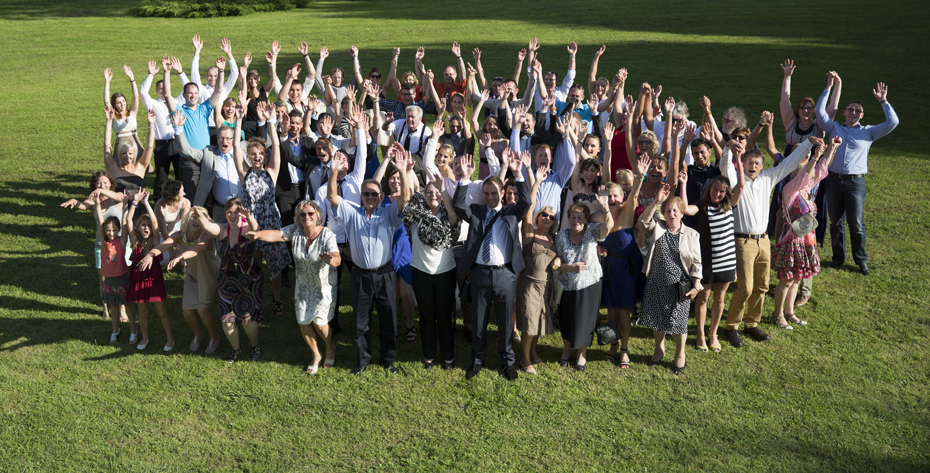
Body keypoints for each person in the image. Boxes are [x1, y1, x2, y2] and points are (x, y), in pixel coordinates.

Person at [721, 135, 819, 348]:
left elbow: (790, 162)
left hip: (764, 241)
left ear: (762, 166)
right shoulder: (736, 179)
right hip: (743, 242)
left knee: (762, 286)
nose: (752, 166)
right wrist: (728, 149)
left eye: (757, 163)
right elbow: (725, 167)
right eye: (749, 162)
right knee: (745, 288)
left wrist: (808, 144)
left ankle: (752, 323)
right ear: (743, 163)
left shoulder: (768, 178)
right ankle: (732, 326)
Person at [328, 142, 410, 375]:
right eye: (366, 194)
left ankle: (388, 359)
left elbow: (405, 197)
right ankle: (363, 360)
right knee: (361, 321)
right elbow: (332, 196)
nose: (370, 197)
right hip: (361, 275)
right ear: (361, 196)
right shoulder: (351, 212)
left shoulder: (389, 213)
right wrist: (333, 171)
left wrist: (402, 170)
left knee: (388, 318)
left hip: (385, 274)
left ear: (380, 196)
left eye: (374, 194)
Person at [453, 154, 531, 381]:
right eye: (486, 193)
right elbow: (458, 206)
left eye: (494, 193)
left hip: (505, 274)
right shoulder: (477, 212)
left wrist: (519, 174)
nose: (489, 197)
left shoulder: (511, 212)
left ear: (502, 193)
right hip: (480, 273)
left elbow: (526, 203)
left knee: (506, 322)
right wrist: (464, 179)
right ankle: (477, 360)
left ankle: (507, 362)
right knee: (479, 320)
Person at [247, 200, 341, 374]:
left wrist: (331, 260)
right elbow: (276, 234)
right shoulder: (295, 230)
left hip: (323, 287)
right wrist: (258, 235)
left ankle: (330, 348)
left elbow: (337, 258)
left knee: (320, 322)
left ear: (317, 215)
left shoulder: (327, 234)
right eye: (302, 214)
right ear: (298, 217)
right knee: (303, 320)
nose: (306, 217)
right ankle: (316, 355)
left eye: (310, 213)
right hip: (303, 286)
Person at [816, 79, 899, 275]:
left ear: (862, 115)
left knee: (856, 224)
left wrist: (883, 101)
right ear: (844, 112)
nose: (853, 112)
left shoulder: (869, 132)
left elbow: (893, 122)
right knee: (836, 223)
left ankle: (861, 261)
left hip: (855, 183)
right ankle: (838, 259)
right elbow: (819, 112)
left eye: (857, 111)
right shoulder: (833, 128)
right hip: (832, 180)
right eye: (850, 109)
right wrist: (827, 87)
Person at [771, 137, 841, 327]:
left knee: (796, 279)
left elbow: (821, 170)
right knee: (786, 280)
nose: (811, 177)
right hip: (791, 241)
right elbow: (805, 175)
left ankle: (789, 312)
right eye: (807, 174)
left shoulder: (807, 189)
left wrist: (831, 148)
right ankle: (778, 315)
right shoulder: (790, 189)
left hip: (807, 240)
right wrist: (814, 157)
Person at [232, 103, 291, 315]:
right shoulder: (244, 173)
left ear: (264, 156)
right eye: (253, 154)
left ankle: (277, 298)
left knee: (274, 264)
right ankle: (255, 300)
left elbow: (276, 146)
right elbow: (235, 146)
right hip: (250, 222)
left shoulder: (271, 171)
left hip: (271, 221)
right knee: (254, 264)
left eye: (259, 154)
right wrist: (239, 119)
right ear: (248, 156)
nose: (256, 157)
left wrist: (271, 121)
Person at [637, 184, 702, 374]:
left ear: (682, 213)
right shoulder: (659, 227)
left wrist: (696, 285)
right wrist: (657, 201)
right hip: (656, 283)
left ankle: (680, 354)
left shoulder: (692, 234)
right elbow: (643, 221)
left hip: (680, 287)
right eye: (668, 211)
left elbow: (697, 263)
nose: (671, 214)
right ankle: (659, 349)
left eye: (675, 210)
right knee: (657, 320)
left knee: (679, 324)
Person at [138, 206, 221, 354]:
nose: (196, 220)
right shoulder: (180, 235)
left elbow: (197, 249)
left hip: (208, 276)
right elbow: (163, 246)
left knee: (203, 310)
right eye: (193, 216)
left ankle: (215, 337)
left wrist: (180, 257)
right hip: (192, 275)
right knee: (187, 311)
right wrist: (150, 254)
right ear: (187, 219)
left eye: (200, 217)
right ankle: (198, 335)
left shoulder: (207, 236)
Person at [681, 164, 745, 353]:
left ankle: (713, 334)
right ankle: (701, 334)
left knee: (720, 298)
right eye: (715, 189)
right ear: (710, 188)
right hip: (706, 262)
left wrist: (738, 159)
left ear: (726, 193)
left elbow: (741, 185)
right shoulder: (702, 206)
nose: (717, 194)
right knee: (703, 298)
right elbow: (685, 209)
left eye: (721, 191)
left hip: (726, 261)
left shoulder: (730, 205)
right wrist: (683, 184)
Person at [402, 168, 462, 370]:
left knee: (444, 318)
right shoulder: (416, 214)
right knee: (427, 317)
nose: (433, 195)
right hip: (421, 273)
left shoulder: (448, 214)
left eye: (437, 192)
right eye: (429, 192)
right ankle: (429, 356)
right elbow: (406, 198)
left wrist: (442, 188)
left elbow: (453, 217)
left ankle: (448, 357)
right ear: (424, 195)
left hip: (445, 273)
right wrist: (405, 171)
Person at [600, 154, 649, 368]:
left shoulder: (627, 212)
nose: (612, 199)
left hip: (627, 268)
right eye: (609, 196)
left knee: (623, 311)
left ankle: (624, 349)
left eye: (616, 196)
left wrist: (640, 175)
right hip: (609, 267)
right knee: (611, 310)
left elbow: (635, 191)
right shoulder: (601, 214)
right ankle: (612, 344)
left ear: (622, 197)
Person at [199, 198, 263, 363]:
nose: (232, 215)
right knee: (227, 320)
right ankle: (235, 350)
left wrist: (248, 217)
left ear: (242, 213)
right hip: (227, 279)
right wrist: (198, 215)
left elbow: (255, 227)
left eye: (236, 212)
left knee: (247, 320)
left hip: (249, 279)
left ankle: (255, 346)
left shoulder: (246, 228)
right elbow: (207, 227)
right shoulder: (222, 229)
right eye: (229, 212)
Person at [555, 189, 612, 371]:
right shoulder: (561, 236)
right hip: (567, 285)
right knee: (566, 318)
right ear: (568, 218)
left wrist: (605, 208)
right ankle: (567, 349)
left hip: (589, 284)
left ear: (586, 220)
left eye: (580, 217)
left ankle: (581, 354)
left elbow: (607, 227)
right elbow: (557, 260)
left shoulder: (592, 231)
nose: (576, 220)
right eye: (573, 217)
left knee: (585, 320)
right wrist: (568, 267)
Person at [60, 171, 126, 321]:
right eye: (98, 183)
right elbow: (83, 205)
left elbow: (120, 197)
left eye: (105, 182)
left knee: (121, 278)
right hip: (102, 246)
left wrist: (102, 191)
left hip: (120, 246)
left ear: (110, 184)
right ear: (94, 185)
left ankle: (122, 309)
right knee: (103, 280)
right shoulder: (93, 201)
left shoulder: (117, 198)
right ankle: (105, 308)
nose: (102, 185)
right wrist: (75, 201)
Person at [170, 102, 250, 222]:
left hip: (244, 209)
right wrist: (178, 129)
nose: (224, 141)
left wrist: (268, 120)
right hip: (221, 211)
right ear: (217, 140)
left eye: (228, 138)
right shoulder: (209, 153)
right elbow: (185, 150)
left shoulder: (244, 148)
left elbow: (265, 145)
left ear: (234, 139)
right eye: (221, 138)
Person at [164, 55, 226, 198]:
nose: (193, 96)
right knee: (190, 197)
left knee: (209, 197)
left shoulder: (204, 108)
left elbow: (218, 91)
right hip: (188, 162)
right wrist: (167, 72)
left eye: (196, 93)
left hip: (206, 159)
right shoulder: (179, 110)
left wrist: (221, 71)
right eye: (190, 93)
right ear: (184, 95)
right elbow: (167, 95)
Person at [515, 163, 556, 374]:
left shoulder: (554, 239)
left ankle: (532, 351)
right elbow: (527, 210)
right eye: (544, 215)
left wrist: (559, 259)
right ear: (538, 216)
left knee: (539, 321)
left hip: (546, 286)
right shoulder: (529, 234)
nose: (547, 218)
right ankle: (524, 359)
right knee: (530, 323)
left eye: (551, 217)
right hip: (529, 285)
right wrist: (537, 182)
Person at [124, 188, 173, 352]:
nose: (146, 228)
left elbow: (155, 223)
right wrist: (135, 202)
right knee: (142, 312)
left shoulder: (155, 241)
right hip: (138, 281)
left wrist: (146, 203)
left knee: (161, 310)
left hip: (153, 281)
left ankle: (170, 339)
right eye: (143, 226)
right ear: (138, 228)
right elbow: (128, 220)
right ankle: (144, 338)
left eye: (148, 226)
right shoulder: (135, 241)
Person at [92, 191, 136, 345]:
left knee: (128, 305)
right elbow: (100, 221)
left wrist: (125, 204)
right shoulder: (104, 243)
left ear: (118, 230)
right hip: (109, 281)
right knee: (114, 306)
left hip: (122, 279)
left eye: (114, 230)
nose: (111, 233)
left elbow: (124, 221)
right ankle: (115, 331)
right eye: (108, 230)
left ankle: (133, 331)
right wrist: (97, 204)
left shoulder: (122, 241)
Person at [139, 60, 184, 200]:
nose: (163, 90)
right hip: (162, 145)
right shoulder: (153, 104)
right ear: (156, 91)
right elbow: (143, 92)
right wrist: (151, 75)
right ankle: (159, 202)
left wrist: (180, 72)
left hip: (178, 142)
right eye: (160, 88)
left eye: (165, 87)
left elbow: (188, 88)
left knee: (181, 175)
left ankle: (181, 200)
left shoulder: (177, 101)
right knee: (161, 176)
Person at [103, 104, 155, 194]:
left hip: (138, 202)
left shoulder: (140, 167)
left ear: (134, 154)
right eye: (124, 154)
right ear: (119, 154)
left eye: (130, 154)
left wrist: (151, 124)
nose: (127, 156)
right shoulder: (113, 168)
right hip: (119, 202)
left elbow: (149, 147)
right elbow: (107, 145)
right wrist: (109, 121)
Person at [103, 65, 140, 157]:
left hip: (135, 145)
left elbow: (136, 96)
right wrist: (107, 81)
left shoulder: (132, 113)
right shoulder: (113, 116)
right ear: (114, 105)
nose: (122, 104)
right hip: (121, 147)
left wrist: (132, 78)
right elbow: (106, 101)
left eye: (123, 101)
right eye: (119, 103)